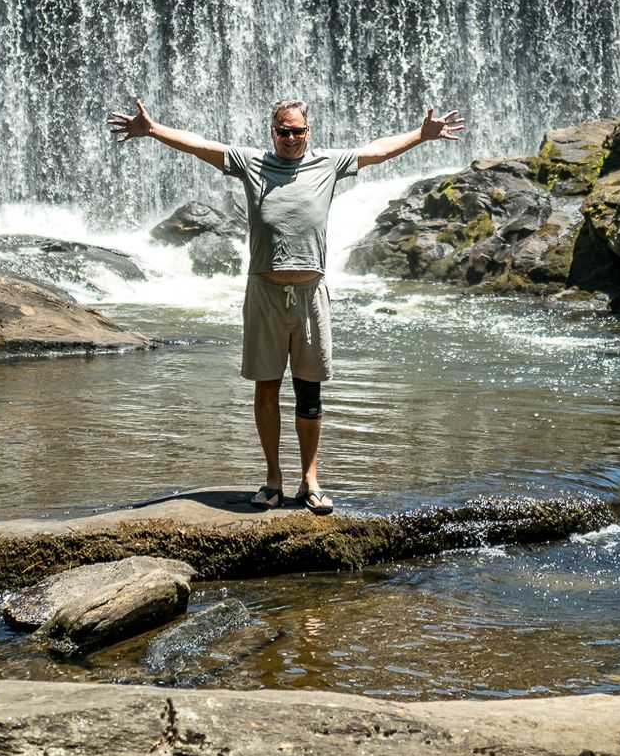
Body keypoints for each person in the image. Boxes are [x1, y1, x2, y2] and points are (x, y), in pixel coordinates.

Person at [107, 96, 465, 513]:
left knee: (309, 390)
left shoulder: (327, 163)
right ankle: (273, 478)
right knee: (267, 386)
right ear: (272, 131)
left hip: (311, 293)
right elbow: (199, 144)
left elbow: (375, 151)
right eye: (284, 131)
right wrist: (153, 130)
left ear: (308, 132)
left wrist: (421, 137)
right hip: (265, 292)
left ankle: (310, 480)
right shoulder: (250, 162)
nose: (291, 137)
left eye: (298, 131)